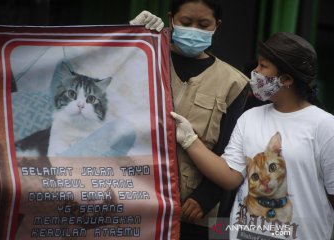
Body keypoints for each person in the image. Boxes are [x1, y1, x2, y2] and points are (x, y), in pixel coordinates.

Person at [171, 32, 334, 239]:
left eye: (263, 67)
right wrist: (189, 140)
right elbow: (230, 176)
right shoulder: (250, 117)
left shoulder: (325, 125)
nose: (255, 72)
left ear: (286, 79)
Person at [130, 1, 249, 239]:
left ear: (217, 25)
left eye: (203, 24)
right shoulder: (145, 57)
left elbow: (230, 149)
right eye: (185, 23)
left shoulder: (234, 83)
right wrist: (130, 39)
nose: (194, 29)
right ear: (171, 18)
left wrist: (205, 198)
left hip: (193, 211)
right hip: (136, 198)